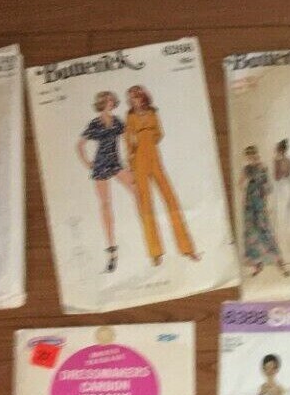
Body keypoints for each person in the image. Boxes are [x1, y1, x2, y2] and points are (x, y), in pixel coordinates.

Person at [125, 85, 200, 267]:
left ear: (142, 97)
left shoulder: (153, 113)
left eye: (135, 97)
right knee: (146, 206)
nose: (133, 101)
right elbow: (128, 142)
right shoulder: (130, 117)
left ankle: (187, 248)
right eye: (130, 98)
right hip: (139, 161)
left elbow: (159, 134)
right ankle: (155, 253)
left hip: (155, 159)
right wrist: (132, 166)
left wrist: (148, 136)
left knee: (171, 200)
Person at [78, 91, 134, 274]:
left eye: (111, 100)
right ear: (101, 103)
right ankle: (112, 251)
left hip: (116, 163)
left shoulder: (117, 121)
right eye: (107, 100)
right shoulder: (95, 123)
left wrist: (130, 161)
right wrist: (88, 163)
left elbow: (127, 140)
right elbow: (80, 145)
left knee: (138, 191)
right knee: (105, 205)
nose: (110, 103)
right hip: (101, 165)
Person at [239, 145, 286, 277]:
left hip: (260, 202)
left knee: (265, 230)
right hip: (249, 203)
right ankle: (257, 264)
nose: (251, 158)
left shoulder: (263, 167)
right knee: (251, 233)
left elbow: (268, 187)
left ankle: (279, 263)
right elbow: (240, 184)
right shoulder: (246, 169)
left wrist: (264, 201)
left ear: (256, 154)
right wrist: (247, 192)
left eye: (252, 155)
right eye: (248, 156)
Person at [272, 139, 290, 232]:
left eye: (277, 149)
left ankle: (285, 229)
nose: (276, 151)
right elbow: (279, 175)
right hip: (286, 184)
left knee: (283, 207)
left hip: (284, 185)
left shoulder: (279, 160)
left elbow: (278, 176)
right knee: (284, 207)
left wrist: (280, 172)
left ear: (280, 150)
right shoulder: (287, 160)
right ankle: (285, 228)